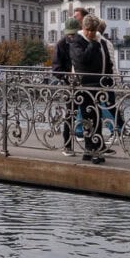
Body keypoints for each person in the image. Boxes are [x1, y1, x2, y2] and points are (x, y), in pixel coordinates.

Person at [69, 15, 106, 164]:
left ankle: (92, 149)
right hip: (84, 86)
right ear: (83, 29)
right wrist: (93, 44)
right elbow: (82, 60)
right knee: (88, 118)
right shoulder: (77, 42)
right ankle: (91, 149)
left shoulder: (98, 41)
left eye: (94, 30)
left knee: (95, 118)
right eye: (89, 30)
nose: (91, 33)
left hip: (97, 84)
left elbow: (105, 60)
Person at [52, 18, 80, 155]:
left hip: (84, 83)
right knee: (70, 115)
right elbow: (56, 68)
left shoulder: (82, 42)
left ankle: (91, 146)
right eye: (70, 34)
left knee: (89, 114)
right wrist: (66, 77)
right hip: (70, 85)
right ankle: (67, 145)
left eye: (74, 34)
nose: (71, 36)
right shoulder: (61, 45)